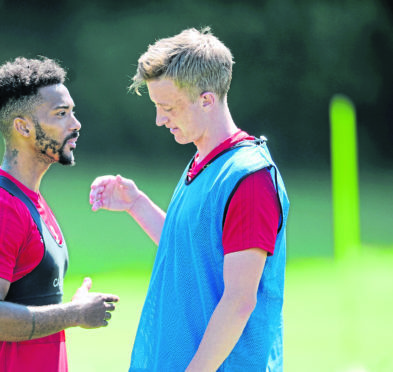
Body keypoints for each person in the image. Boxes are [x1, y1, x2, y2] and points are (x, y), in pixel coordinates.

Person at [89, 27, 289, 371]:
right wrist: (137, 204)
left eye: (167, 107)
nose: (159, 119)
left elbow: (240, 300)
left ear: (207, 99)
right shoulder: (203, 161)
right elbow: (193, 252)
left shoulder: (249, 179)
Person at [0, 56, 119, 372]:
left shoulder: (31, 200)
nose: (75, 124)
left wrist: (66, 309)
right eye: (61, 114)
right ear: (22, 127)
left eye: (72, 112)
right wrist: (74, 313)